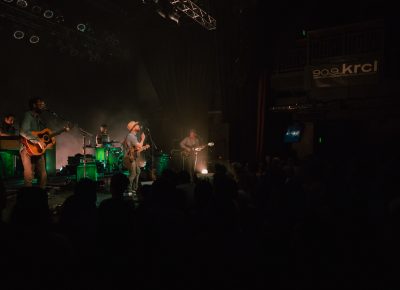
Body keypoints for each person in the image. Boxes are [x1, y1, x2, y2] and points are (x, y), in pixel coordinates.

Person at [19, 97, 48, 188]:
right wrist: (38, 141)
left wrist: (62, 130)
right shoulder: (28, 115)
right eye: (40, 104)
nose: (42, 105)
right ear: (34, 105)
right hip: (26, 148)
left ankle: (41, 196)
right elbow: (23, 131)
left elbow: (41, 134)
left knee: (43, 175)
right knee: (29, 175)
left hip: (37, 150)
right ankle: (27, 197)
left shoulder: (39, 119)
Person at [124, 121, 146, 193]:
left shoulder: (133, 136)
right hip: (130, 158)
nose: (138, 125)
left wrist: (143, 147)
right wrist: (143, 139)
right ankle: (129, 189)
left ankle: (135, 188)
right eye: (136, 125)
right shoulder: (131, 136)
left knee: (138, 171)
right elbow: (139, 146)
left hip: (132, 158)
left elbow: (137, 148)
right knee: (133, 174)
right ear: (133, 128)